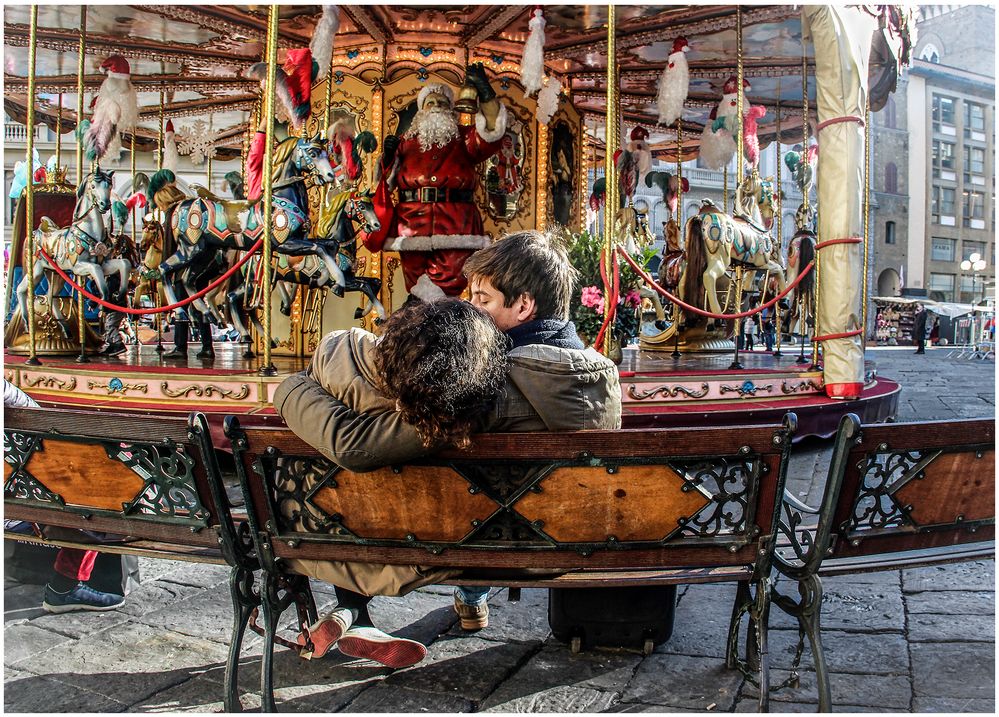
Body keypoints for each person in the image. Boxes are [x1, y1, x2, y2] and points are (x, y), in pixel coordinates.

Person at [274, 230, 621, 660]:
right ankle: (445, 602)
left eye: (483, 299)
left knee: (363, 464)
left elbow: (359, 444)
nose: (470, 309)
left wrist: (292, 387)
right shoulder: (597, 378)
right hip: (552, 539)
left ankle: (351, 609)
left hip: (465, 541)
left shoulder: (486, 387)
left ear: (524, 306)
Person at [271, 298, 510, 667]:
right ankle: (360, 616)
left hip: (317, 527)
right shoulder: (462, 407)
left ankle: (351, 613)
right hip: (430, 535)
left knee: (342, 495)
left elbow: (347, 441)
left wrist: (291, 387)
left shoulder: (339, 356)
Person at [362, 63, 509, 300]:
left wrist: (485, 92)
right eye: (431, 103)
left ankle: (427, 323)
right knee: (416, 284)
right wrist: (387, 159)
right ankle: (419, 323)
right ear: (421, 110)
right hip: (412, 224)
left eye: (443, 104)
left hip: (456, 224)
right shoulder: (405, 143)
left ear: (452, 109)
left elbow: (492, 131)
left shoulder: (465, 139)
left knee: (449, 281)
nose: (437, 108)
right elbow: (384, 184)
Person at [3, 379, 126, 614]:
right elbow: (38, 420)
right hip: (19, 509)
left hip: (15, 503)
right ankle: (63, 587)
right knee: (97, 505)